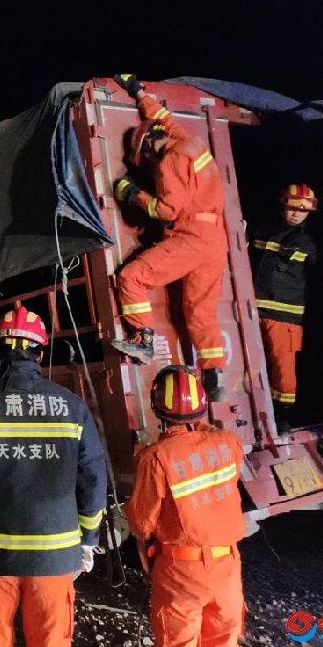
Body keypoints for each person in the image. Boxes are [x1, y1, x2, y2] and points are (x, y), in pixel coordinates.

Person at [0, 305, 107, 647]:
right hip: (55, 558)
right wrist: (88, 541)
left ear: (0, 353)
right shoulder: (72, 407)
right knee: (50, 644)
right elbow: (92, 477)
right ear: (40, 353)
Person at [109, 74, 228, 402]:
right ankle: (214, 374)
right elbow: (162, 118)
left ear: (148, 145)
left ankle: (143, 340)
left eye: (144, 158)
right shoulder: (189, 142)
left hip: (191, 237)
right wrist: (138, 92)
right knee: (200, 310)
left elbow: (167, 210)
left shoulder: (168, 162)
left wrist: (132, 194)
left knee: (132, 277)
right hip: (216, 239)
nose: (147, 164)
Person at [125, 365, 246, 647]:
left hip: (181, 571)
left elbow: (142, 523)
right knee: (223, 645)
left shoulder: (155, 457)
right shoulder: (229, 443)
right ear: (202, 406)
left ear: (157, 408)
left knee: (177, 646)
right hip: (227, 567)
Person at [249, 183, 323, 432]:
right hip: (251, 310)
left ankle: (282, 417)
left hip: (286, 315)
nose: (296, 214)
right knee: (249, 363)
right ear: (283, 204)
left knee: (283, 370)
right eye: (293, 208)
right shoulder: (261, 231)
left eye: (303, 211)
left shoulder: (308, 243)